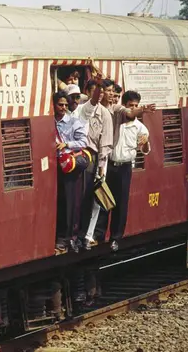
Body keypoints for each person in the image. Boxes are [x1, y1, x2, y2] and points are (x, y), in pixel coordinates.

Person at [96, 91, 152, 251]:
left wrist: (146, 143)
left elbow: (146, 150)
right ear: (124, 106)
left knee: (120, 204)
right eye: (130, 106)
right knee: (103, 200)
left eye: (136, 106)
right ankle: (98, 235)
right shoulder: (115, 120)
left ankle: (115, 238)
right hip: (109, 165)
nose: (133, 109)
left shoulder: (141, 128)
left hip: (125, 167)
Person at [72, 80, 113, 250]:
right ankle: (75, 236)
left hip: (92, 158)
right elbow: (92, 102)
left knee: (89, 199)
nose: (100, 94)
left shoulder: (105, 114)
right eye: (97, 91)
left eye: (102, 91)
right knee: (76, 199)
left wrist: (102, 167)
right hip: (75, 156)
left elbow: (105, 142)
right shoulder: (81, 108)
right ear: (88, 91)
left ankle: (84, 236)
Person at [54, 91, 88, 253]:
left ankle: (68, 238)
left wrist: (66, 144)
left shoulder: (74, 122)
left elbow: (83, 141)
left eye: (66, 105)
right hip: (54, 167)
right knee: (58, 202)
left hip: (69, 167)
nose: (63, 108)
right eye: (60, 104)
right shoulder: (50, 122)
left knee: (69, 203)